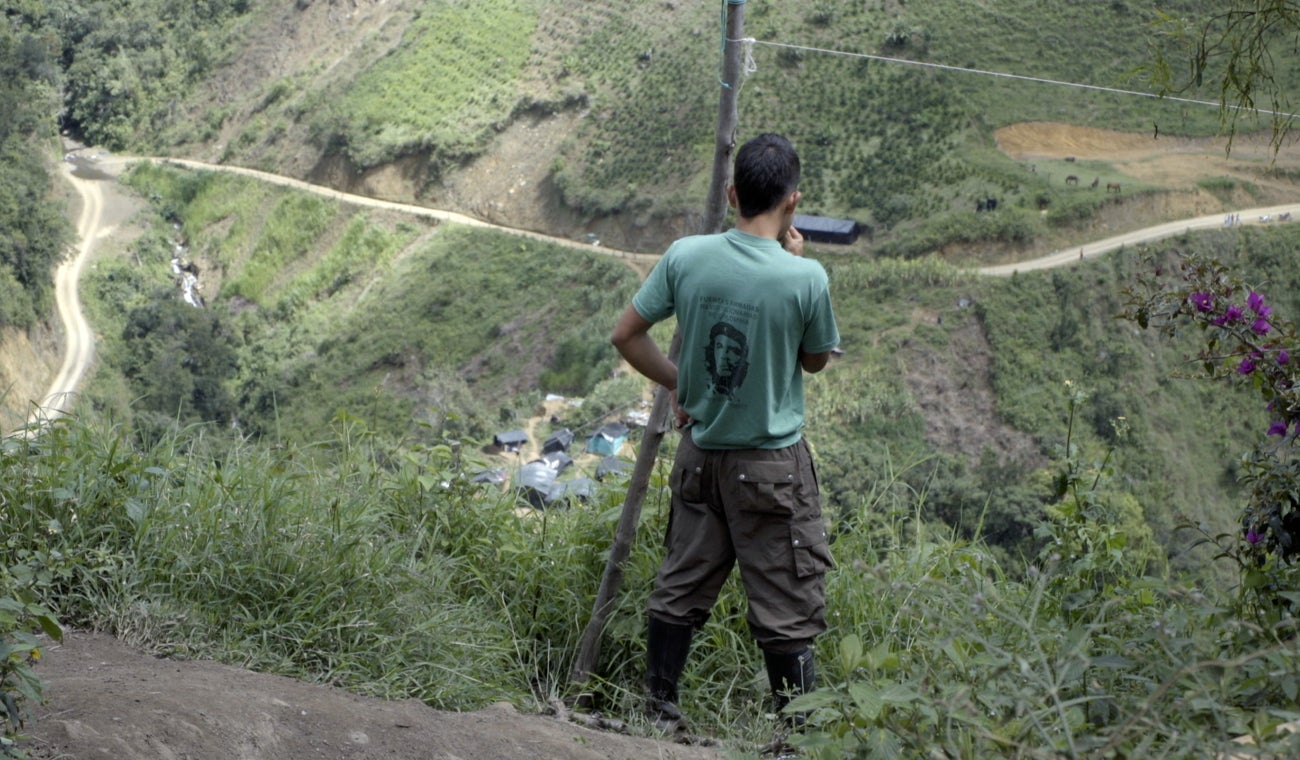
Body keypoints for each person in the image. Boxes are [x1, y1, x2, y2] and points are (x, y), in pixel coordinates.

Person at [610, 133, 840, 735]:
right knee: (786, 606)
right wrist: (793, 262)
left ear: (733, 193)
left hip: (700, 457)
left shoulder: (687, 256)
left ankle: (658, 713)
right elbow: (815, 360)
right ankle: (790, 742)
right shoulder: (805, 277)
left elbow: (626, 335)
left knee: (679, 586)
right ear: (793, 202)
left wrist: (680, 387)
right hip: (771, 468)